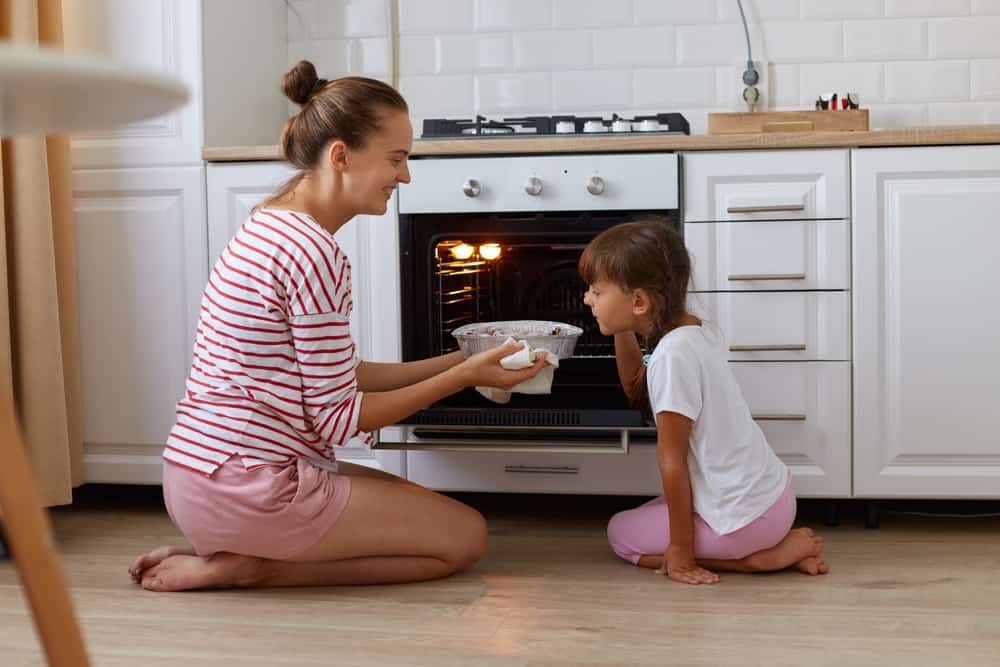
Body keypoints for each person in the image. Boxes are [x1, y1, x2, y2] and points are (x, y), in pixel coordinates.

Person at [127, 62, 547, 592]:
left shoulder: (270, 226)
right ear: (341, 155)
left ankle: (236, 546)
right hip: (252, 488)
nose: (406, 176)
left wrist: (467, 358)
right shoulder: (314, 253)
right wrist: (463, 380)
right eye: (396, 159)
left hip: (197, 477)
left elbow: (339, 374)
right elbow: (340, 420)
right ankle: (255, 566)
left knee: (423, 518)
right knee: (466, 538)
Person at [579, 221, 829, 585]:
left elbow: (673, 460)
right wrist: (624, 328)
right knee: (648, 513)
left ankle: (765, 558)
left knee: (621, 533)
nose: (588, 299)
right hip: (772, 499)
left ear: (638, 301)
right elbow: (637, 388)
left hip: (748, 519)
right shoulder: (694, 330)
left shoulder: (672, 357)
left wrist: (681, 549)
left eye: (597, 292)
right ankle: (766, 543)